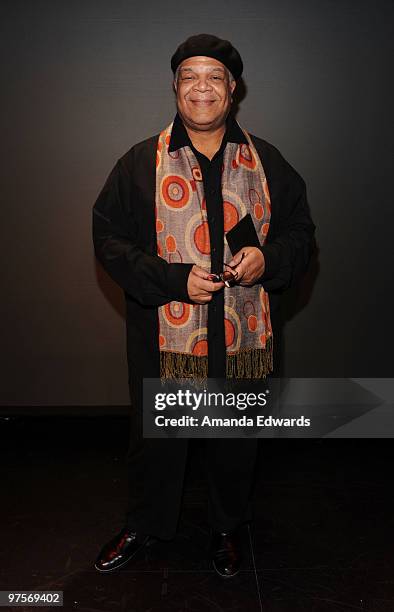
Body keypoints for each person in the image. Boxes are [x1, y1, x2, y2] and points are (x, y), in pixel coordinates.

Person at [92, 33, 315, 577]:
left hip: (243, 335)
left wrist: (268, 259)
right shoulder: (140, 161)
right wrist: (171, 280)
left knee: (234, 439)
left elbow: (301, 235)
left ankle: (226, 527)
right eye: (190, 75)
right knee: (155, 441)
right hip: (165, 338)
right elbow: (108, 240)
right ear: (175, 87)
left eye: (214, 76)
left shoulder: (267, 162)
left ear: (233, 89)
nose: (202, 87)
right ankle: (145, 523)